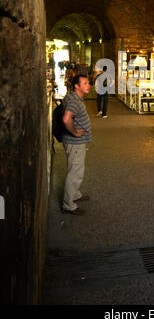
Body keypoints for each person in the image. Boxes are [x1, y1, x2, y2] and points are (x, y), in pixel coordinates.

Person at [61, 74, 91, 215]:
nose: (88, 85)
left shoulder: (72, 97)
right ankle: (69, 205)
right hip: (74, 142)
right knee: (75, 172)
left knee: (77, 170)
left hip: (75, 143)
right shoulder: (75, 101)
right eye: (84, 83)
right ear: (77, 86)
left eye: (88, 83)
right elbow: (66, 119)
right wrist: (75, 132)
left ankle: (75, 194)